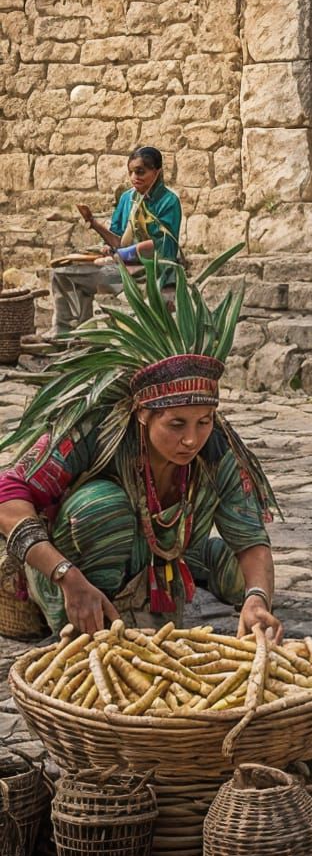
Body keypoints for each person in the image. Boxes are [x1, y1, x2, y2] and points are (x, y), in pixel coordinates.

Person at [0, 248, 280, 639]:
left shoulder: (216, 448)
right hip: (78, 562)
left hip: (159, 551)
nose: (190, 439)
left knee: (244, 577)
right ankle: (86, 613)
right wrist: (67, 576)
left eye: (204, 422)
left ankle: (195, 566)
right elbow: (8, 493)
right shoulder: (97, 428)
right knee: (101, 507)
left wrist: (256, 599)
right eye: (176, 423)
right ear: (143, 413)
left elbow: (251, 538)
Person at [51, 146, 182, 337]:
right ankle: (71, 334)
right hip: (121, 269)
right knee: (63, 274)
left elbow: (162, 246)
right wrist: (94, 224)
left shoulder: (169, 202)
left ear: (157, 172)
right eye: (131, 172)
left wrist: (123, 255)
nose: (134, 177)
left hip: (155, 272)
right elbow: (118, 239)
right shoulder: (128, 198)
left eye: (140, 172)